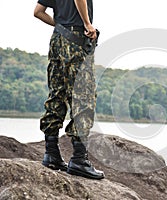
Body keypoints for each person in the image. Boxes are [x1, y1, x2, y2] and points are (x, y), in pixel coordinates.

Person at [34, 0, 104, 179]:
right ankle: (79, 159)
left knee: (57, 92)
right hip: (76, 38)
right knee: (83, 96)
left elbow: (38, 12)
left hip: (57, 38)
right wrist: (87, 24)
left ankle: (51, 154)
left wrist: (59, 25)